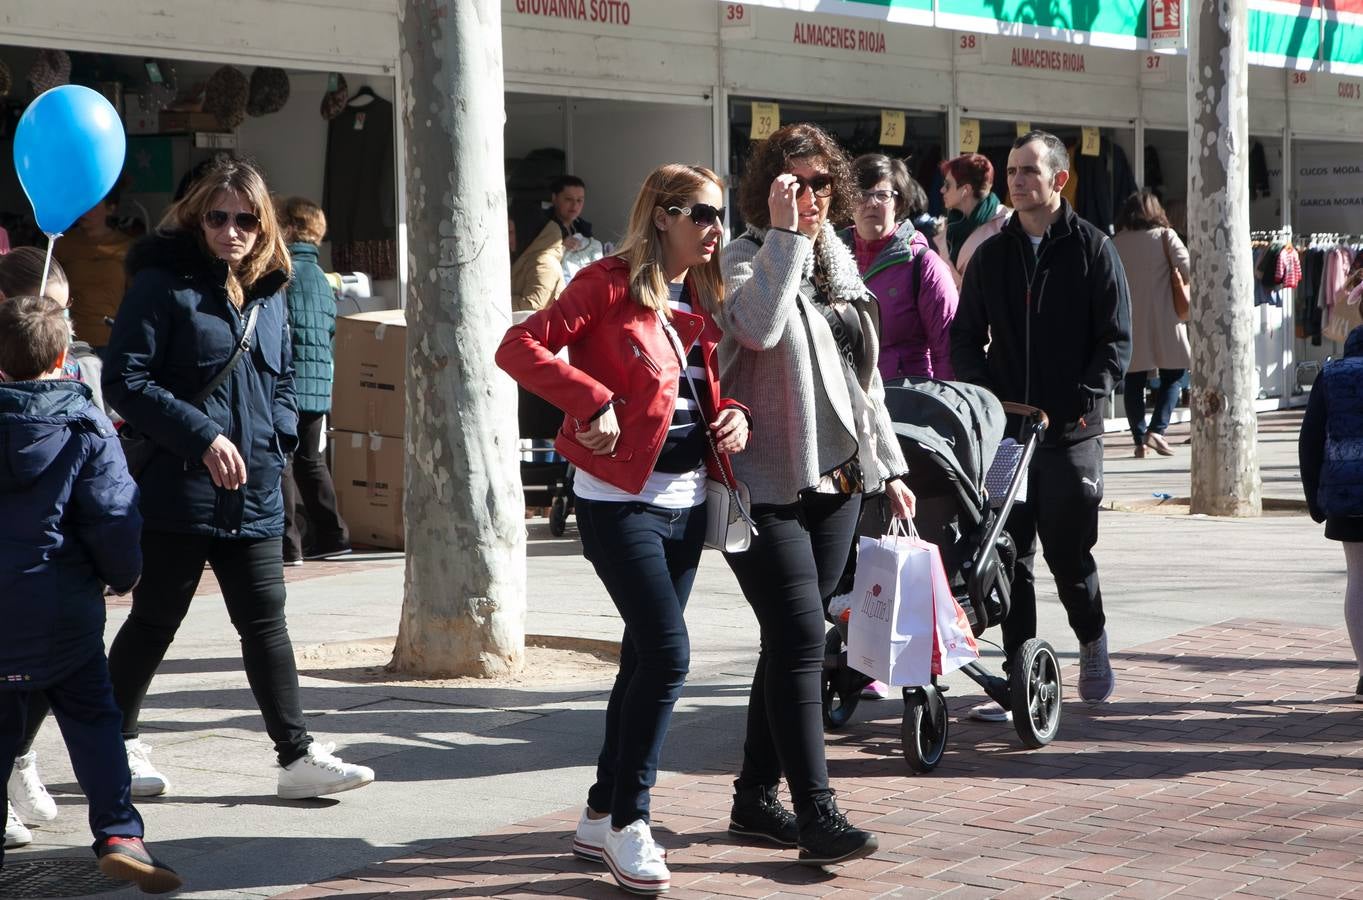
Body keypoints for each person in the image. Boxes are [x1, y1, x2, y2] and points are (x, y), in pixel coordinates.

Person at [497, 163, 749, 895]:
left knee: (643, 659)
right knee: (669, 657)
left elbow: (703, 389)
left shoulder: (697, 292)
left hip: (686, 499)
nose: (715, 229)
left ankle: (599, 810)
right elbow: (518, 347)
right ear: (662, 214)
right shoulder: (607, 283)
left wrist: (736, 416)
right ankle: (629, 822)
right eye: (701, 213)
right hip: (617, 501)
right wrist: (590, 397)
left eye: (719, 215)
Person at [102, 156, 375, 801]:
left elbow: (281, 380)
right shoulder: (161, 285)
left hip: (254, 489)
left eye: (247, 219)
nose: (232, 230)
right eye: (219, 217)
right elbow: (126, 381)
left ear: (265, 225)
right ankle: (113, 739)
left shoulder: (271, 292)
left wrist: (277, 443)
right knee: (155, 620)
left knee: (266, 624)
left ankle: (296, 755)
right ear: (197, 217)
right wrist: (202, 437)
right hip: (180, 486)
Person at [718, 123, 916, 866]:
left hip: (836, 482)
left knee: (790, 639)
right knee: (802, 639)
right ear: (767, 188)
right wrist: (781, 236)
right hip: (761, 486)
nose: (808, 198)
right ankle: (816, 813)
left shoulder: (839, 267)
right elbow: (760, 330)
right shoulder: (740, 260)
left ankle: (751, 799)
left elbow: (863, 384)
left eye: (820, 184)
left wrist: (887, 469)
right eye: (792, 183)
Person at [0, 296, 182, 893]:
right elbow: (114, 513)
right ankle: (119, 832)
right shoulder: (84, 423)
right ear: (62, 355)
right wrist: (123, 573)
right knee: (94, 719)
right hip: (62, 608)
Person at [951, 130, 1131, 720]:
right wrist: (982, 398)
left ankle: (1091, 638)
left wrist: (1086, 398)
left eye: (1030, 170)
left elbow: (1115, 341)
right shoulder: (992, 255)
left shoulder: (1092, 249)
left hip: (1070, 433)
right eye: (1011, 171)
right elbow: (965, 337)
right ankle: (1020, 679)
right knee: (1008, 555)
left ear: (1059, 179)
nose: (1018, 180)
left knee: (1069, 553)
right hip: (1008, 436)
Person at [275, 196, 351, 564]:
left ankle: (288, 544)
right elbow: (330, 329)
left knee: (282, 462)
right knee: (310, 460)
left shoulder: (280, 271)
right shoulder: (322, 278)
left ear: (287, 226)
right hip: (319, 383)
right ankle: (334, 536)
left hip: (288, 383)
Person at [840, 153, 959, 382]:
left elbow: (948, 350)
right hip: (845, 402)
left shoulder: (923, 265)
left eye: (882, 195)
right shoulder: (828, 259)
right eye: (861, 195)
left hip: (905, 403)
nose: (871, 203)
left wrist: (946, 409)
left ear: (899, 202)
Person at [1300, 325, 1363, 702]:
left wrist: (1315, 501)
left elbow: (1309, 440)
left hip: (1347, 494)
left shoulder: (1332, 374)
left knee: (1358, 579)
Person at [1112, 190, 1190, 458]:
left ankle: (1139, 441)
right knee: (1174, 375)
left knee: (1133, 380)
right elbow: (1188, 268)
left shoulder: (1116, 242)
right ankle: (1157, 430)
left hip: (1129, 320)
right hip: (1165, 317)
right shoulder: (1166, 237)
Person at [53, 191, 133, 351]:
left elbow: (136, 296)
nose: (85, 211)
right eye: (84, 205)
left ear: (111, 209)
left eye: (93, 206)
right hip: (71, 339)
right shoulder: (63, 243)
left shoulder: (128, 246)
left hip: (114, 338)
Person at [511, 175, 590, 312]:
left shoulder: (584, 229)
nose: (575, 205)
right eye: (568, 199)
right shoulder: (537, 227)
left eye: (579, 200)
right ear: (554, 198)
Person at [934, 153, 1012, 288]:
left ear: (966, 189)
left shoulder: (1006, 224)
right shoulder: (948, 227)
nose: (941, 190)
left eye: (947, 185)